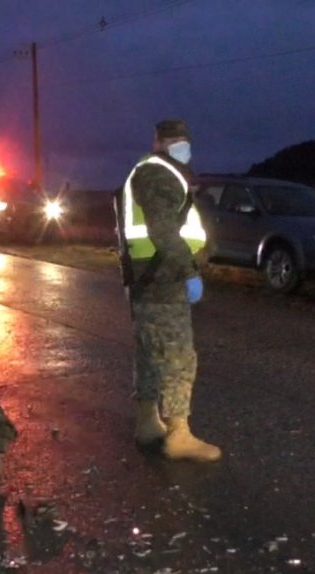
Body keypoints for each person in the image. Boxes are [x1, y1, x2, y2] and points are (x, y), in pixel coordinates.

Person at [118, 119, 220, 462]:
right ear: (158, 142)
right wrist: (189, 272)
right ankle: (179, 434)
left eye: (184, 140)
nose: (181, 145)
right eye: (173, 140)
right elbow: (162, 230)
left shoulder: (155, 171)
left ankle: (148, 422)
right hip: (164, 277)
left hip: (150, 276)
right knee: (177, 355)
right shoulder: (157, 173)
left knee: (150, 351)